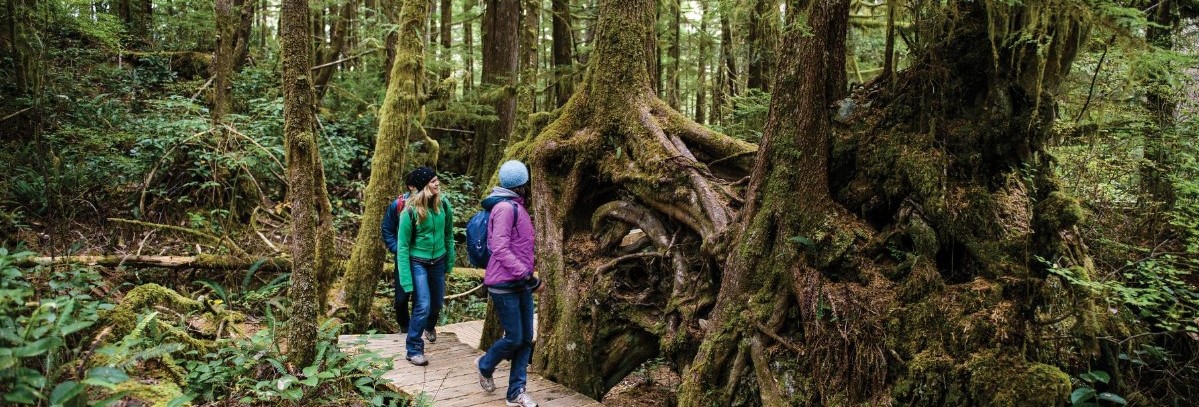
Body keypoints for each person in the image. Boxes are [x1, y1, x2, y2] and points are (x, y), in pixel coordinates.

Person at [476, 160, 542, 407]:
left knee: (525, 338)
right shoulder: (505, 208)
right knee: (514, 337)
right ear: (522, 185)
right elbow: (500, 248)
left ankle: (516, 391)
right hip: (505, 283)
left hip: (520, 283)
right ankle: (484, 365)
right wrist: (527, 275)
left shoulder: (518, 207)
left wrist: (526, 278)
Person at [396, 166, 455, 366]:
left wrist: (450, 260)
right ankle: (413, 349)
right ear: (423, 187)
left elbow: (448, 234)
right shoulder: (410, 211)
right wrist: (406, 279)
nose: (437, 183)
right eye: (432, 181)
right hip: (417, 261)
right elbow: (402, 247)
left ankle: (429, 326)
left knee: (437, 303)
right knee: (422, 305)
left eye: (437, 180)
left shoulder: (443, 205)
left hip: (438, 260)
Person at [381, 171, 418, 334]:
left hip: (423, 258)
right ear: (411, 187)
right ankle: (404, 327)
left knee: (420, 297)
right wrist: (397, 249)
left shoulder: (433, 204)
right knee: (402, 298)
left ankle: (416, 329)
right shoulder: (398, 205)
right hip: (403, 258)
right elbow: (387, 229)